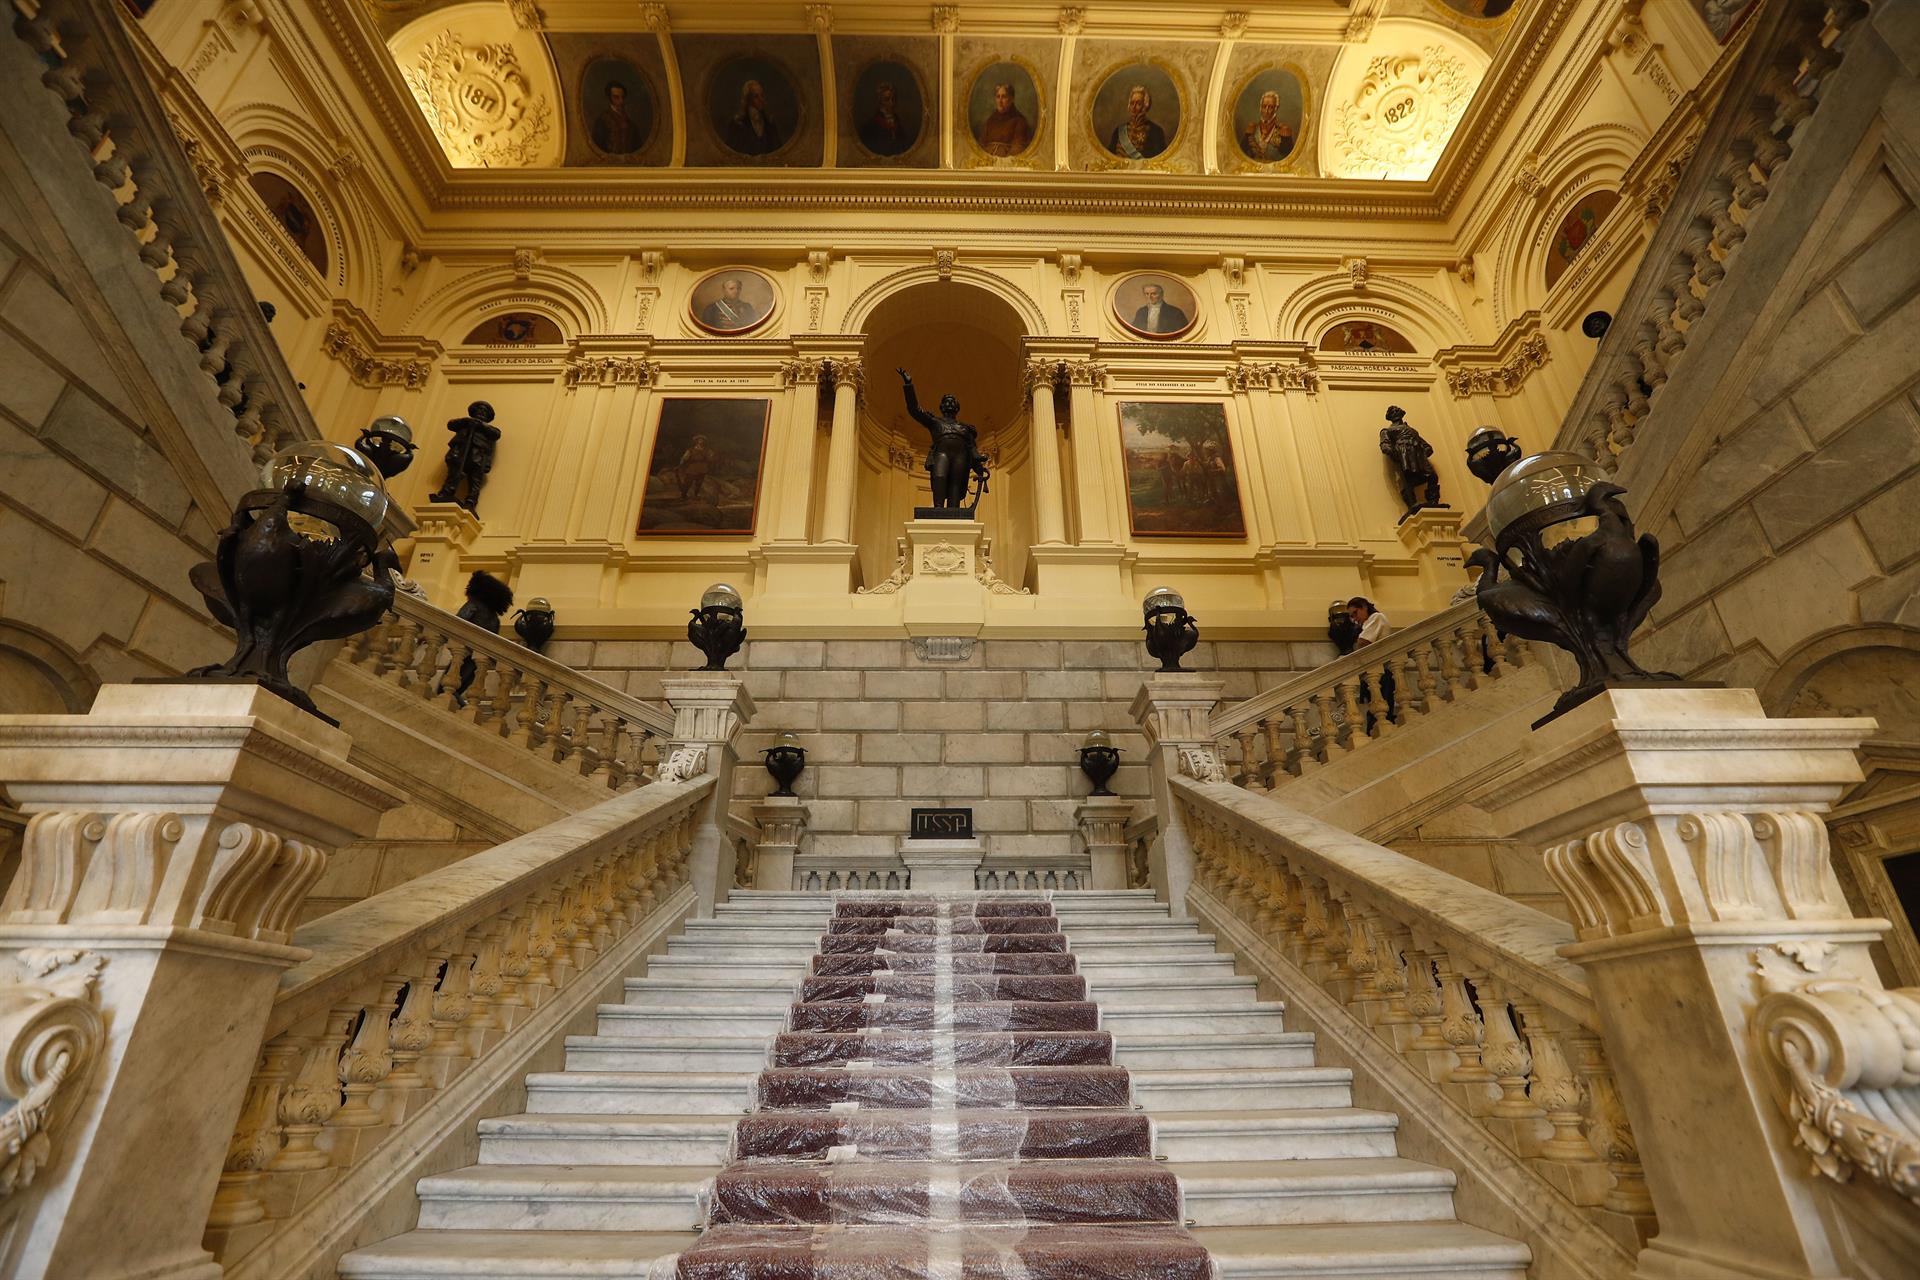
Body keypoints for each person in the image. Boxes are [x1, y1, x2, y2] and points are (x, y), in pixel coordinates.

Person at [898, 366, 988, 509]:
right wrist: (908, 386)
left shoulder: (966, 428)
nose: (950, 402)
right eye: (947, 401)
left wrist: (978, 467)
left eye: (952, 401)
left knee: (956, 483)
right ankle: (938, 509)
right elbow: (914, 410)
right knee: (940, 478)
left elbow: (973, 449)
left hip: (961, 456)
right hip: (941, 453)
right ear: (941, 407)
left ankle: (954, 511)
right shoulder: (935, 422)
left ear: (957, 407)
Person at [1348, 596, 1396, 725]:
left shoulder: (1376, 617)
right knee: (1376, 709)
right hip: (1376, 673)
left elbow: (1363, 642)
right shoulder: (1367, 623)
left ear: (1364, 607)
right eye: (1351, 616)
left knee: (1380, 711)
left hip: (1382, 672)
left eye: (1355, 613)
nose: (1354, 618)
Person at [724, 78, 783, 156]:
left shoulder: (770, 123)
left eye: (762, 95)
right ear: (748, 99)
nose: (761, 99)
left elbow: (778, 151)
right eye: (756, 96)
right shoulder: (737, 124)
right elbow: (730, 154)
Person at [1108, 84, 1167, 159]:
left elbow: (1159, 160)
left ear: (1145, 106)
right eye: (1132, 103)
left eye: (1138, 103)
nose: (1134, 107)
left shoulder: (1156, 131)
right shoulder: (1119, 131)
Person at [977, 81, 1032, 156]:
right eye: (998, 96)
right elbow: (981, 145)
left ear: (1011, 99)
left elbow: (1018, 149)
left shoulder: (1019, 121)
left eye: (1004, 97)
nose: (1000, 101)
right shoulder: (990, 120)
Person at [858, 80, 913, 156]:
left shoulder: (898, 122)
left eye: (893, 99)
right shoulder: (871, 125)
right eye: (887, 99)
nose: (891, 103)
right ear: (880, 102)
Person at [1240, 89, 1295, 161]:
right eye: (1264, 106)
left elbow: (1289, 158)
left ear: (1276, 108)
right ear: (1260, 108)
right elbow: (1241, 154)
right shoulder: (1252, 129)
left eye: (1270, 107)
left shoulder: (1283, 131)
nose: (1266, 110)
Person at [591, 80, 642, 154]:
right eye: (616, 97)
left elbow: (637, 146)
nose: (621, 101)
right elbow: (597, 147)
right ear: (609, 98)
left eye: (622, 97)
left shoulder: (630, 123)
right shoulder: (601, 121)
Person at [678, 434, 715, 501]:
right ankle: (683, 495)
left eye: (702, 440)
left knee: (699, 483)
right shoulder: (691, 450)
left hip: (702, 468)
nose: (700, 441)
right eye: (699, 440)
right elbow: (684, 458)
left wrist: (711, 456)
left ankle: (696, 495)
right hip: (692, 468)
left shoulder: (707, 450)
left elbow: (711, 458)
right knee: (688, 482)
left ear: (704, 442)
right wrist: (681, 464)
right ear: (696, 441)